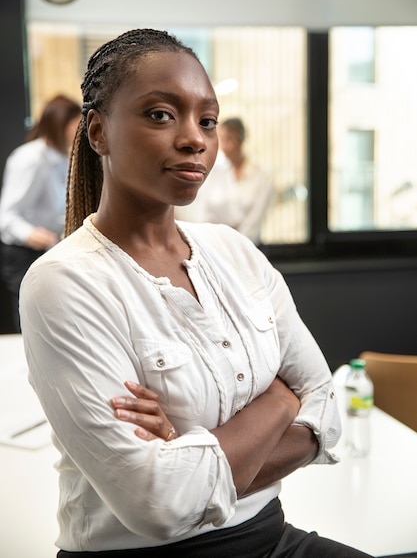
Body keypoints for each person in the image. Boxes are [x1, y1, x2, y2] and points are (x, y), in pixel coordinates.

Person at [19, 29, 373, 558]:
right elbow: (157, 504)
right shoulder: (64, 282)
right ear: (99, 132)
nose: (195, 139)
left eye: (207, 120)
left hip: (271, 538)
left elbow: (325, 411)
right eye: (161, 115)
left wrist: (189, 456)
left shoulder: (234, 252)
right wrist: (280, 398)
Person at [0, 94, 81, 330]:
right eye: (76, 124)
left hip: (49, 247)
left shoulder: (63, 157)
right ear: (60, 123)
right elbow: (6, 214)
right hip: (23, 251)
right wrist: (30, 234)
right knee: (30, 318)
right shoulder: (31, 158)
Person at [177, 117, 276, 245]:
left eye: (228, 139)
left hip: (250, 246)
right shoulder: (216, 171)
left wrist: (236, 247)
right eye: (221, 140)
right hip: (217, 244)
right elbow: (204, 211)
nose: (224, 146)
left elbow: (255, 219)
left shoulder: (262, 175)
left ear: (240, 139)